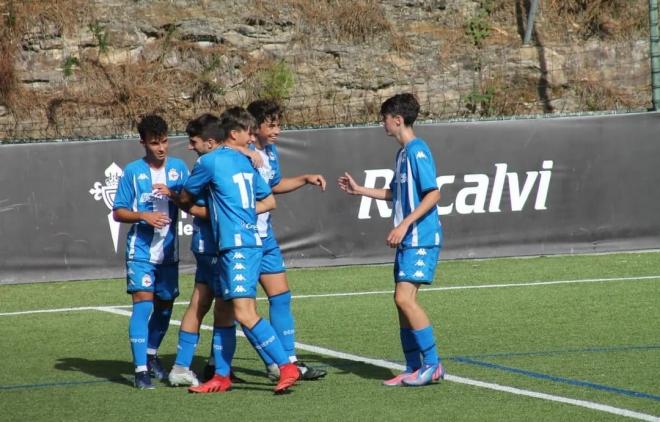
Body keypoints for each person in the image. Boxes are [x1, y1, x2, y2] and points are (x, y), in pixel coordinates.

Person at [175, 107, 300, 394]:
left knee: (244, 313)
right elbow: (269, 201)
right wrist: (240, 212)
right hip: (238, 245)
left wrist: (182, 202)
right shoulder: (247, 163)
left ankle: (285, 365)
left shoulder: (209, 161)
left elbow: (185, 196)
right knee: (224, 312)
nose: (252, 137)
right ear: (234, 134)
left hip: (239, 246)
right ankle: (221, 375)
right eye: (248, 132)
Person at [337, 93, 445, 387]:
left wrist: (405, 224)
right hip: (408, 239)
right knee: (401, 302)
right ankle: (413, 366)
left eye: (384, 118)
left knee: (403, 298)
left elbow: (433, 193)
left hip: (420, 237)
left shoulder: (417, 150)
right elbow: (394, 194)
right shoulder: (401, 155)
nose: (382, 123)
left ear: (397, 120)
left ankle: (433, 365)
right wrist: (360, 190)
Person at [164, 113, 263, 387]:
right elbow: (200, 203)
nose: (189, 146)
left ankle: (188, 366)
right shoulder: (213, 163)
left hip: (210, 244)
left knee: (203, 302)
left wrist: (248, 150)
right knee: (225, 307)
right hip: (218, 245)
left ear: (209, 141)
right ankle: (224, 368)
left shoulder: (216, 160)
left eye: (192, 140)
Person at [238, 99, 328, 381]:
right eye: (271, 125)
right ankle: (251, 363)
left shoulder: (271, 151)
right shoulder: (240, 153)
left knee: (281, 297)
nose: (277, 130)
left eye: (279, 124)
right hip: (243, 238)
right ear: (255, 127)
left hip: (266, 237)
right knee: (240, 308)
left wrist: (304, 178)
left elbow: (273, 185)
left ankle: (289, 360)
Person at [112, 114, 190, 389]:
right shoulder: (133, 171)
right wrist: (144, 216)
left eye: (165, 141)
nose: (161, 148)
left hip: (168, 253)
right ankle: (140, 370)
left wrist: (173, 194)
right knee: (143, 306)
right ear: (143, 142)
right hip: (141, 251)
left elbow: (190, 200)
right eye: (155, 143)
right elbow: (119, 211)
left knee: (166, 308)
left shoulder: (180, 168)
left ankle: (152, 353)